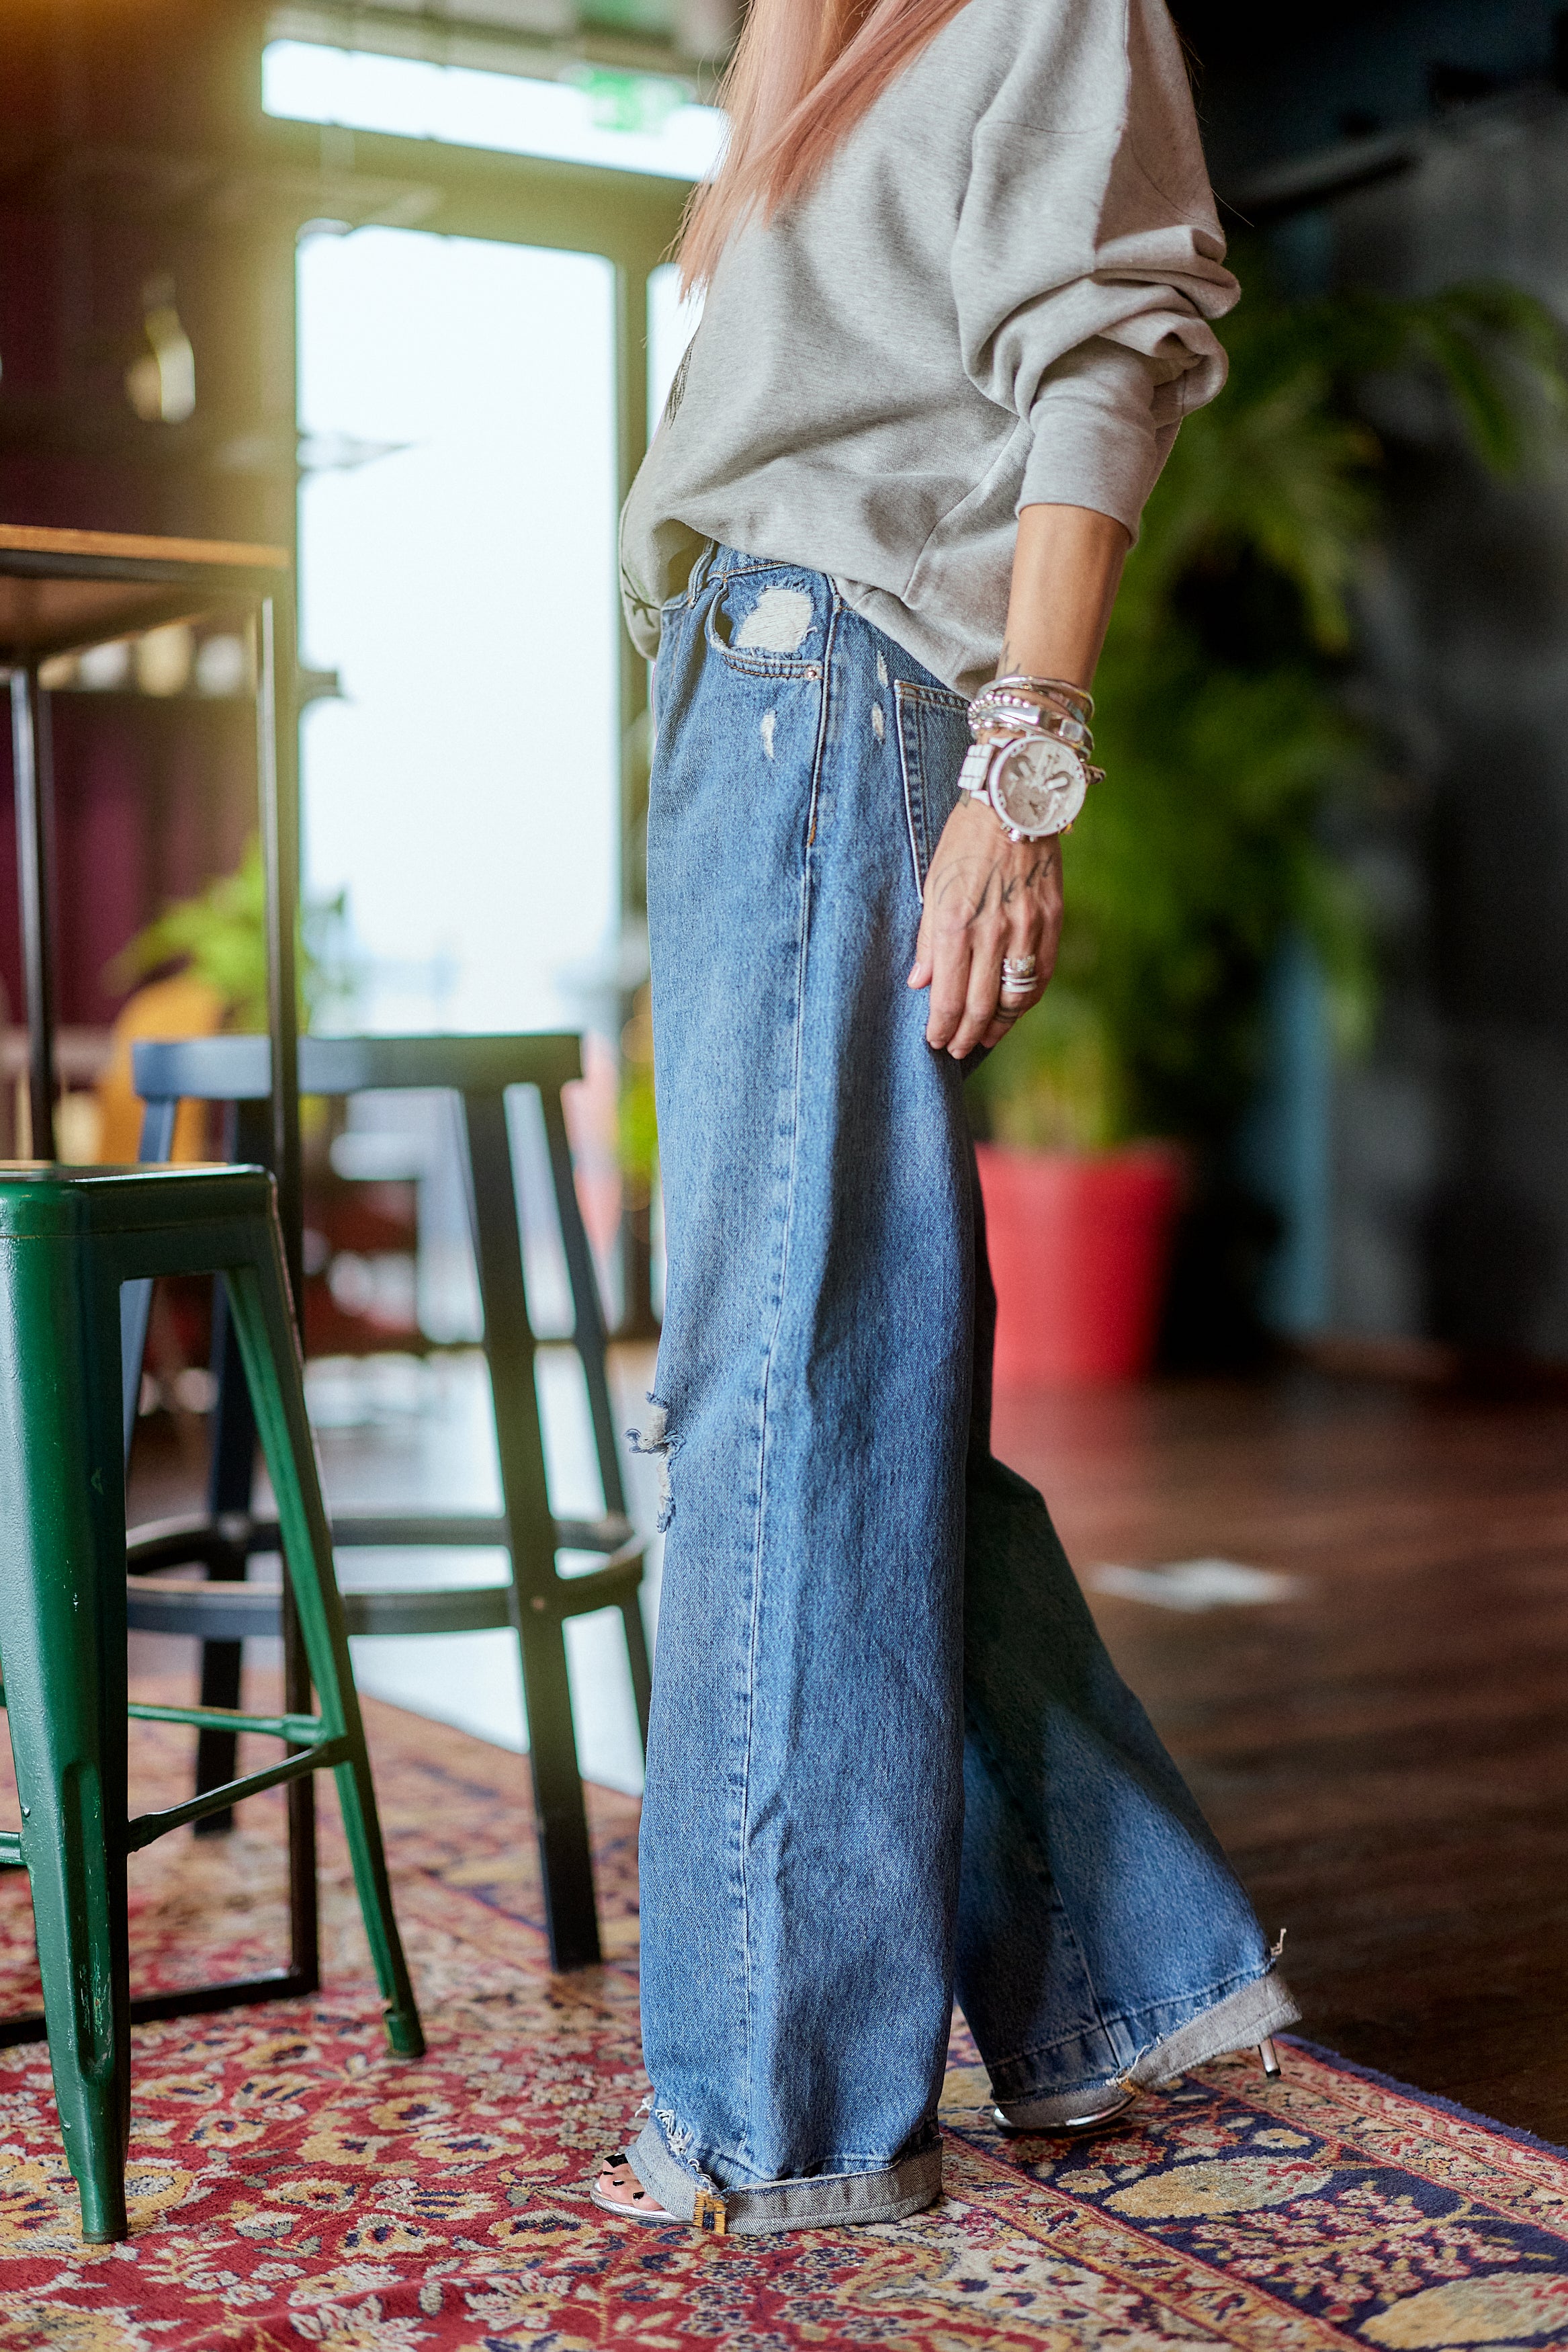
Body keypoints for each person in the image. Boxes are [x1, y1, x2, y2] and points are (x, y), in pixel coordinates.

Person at [595, 0, 1298, 2236]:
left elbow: (1112, 345)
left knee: (786, 1398)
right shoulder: (805, 35)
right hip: (738, 700)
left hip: (846, 694)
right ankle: (1116, 1971)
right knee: (844, 1374)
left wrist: (1024, 766)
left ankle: (778, 2103)